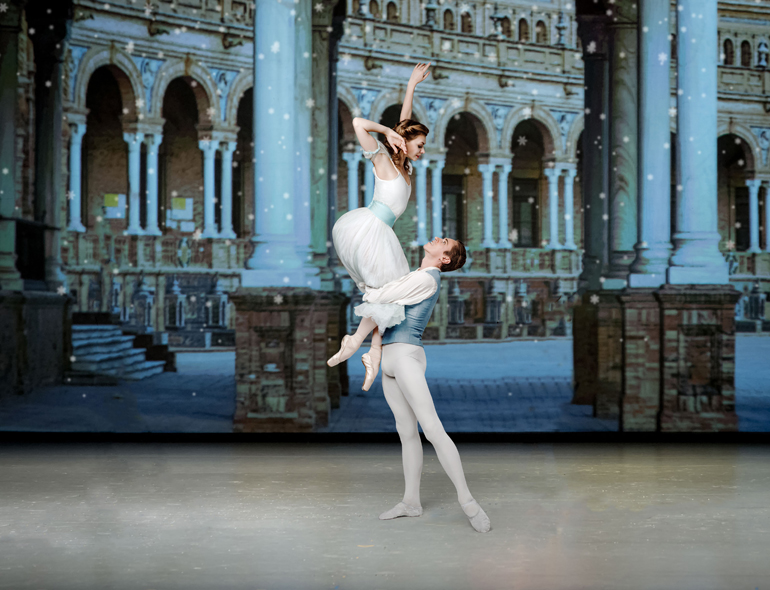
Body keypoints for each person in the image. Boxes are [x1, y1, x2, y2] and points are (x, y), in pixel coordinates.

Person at [365, 236, 492, 534]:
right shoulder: (415, 275)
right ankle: (410, 502)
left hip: (406, 356)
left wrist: (369, 287)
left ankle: (469, 502)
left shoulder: (426, 278)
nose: (437, 238)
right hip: (391, 359)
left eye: (443, 241)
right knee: (406, 432)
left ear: (444, 258)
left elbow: (381, 296)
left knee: (432, 429)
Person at [327, 63, 432, 390]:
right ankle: (356, 341)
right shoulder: (384, 162)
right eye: (420, 145)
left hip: (381, 233)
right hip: (368, 230)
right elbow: (358, 123)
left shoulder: (405, 168)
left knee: (389, 298)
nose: (422, 150)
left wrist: (411, 85)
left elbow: (405, 121)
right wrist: (386, 132)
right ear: (405, 143)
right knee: (388, 294)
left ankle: (373, 352)